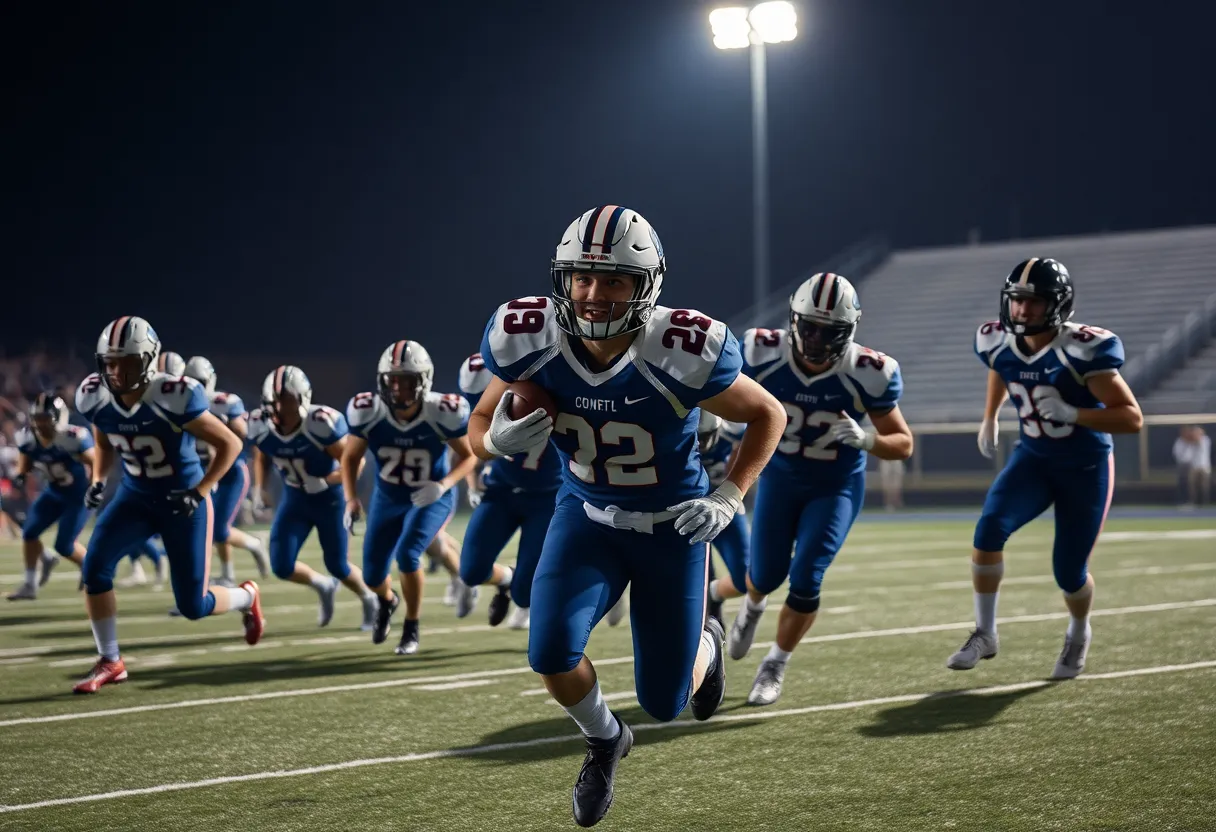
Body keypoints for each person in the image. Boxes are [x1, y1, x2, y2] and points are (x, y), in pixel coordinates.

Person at [469, 205, 785, 827]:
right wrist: (492, 444)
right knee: (550, 651)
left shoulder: (681, 347)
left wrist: (729, 494)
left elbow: (767, 413)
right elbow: (480, 421)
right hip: (585, 516)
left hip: (674, 527)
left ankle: (708, 640)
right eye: (582, 277)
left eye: (614, 279)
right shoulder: (528, 338)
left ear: (647, 285)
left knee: (666, 702)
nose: (593, 294)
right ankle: (605, 739)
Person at [947, 258, 1143, 679]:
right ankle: (985, 632)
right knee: (988, 530)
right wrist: (990, 415)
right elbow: (1002, 367)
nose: (1022, 310)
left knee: (1069, 572)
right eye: (1017, 300)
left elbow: (1131, 418)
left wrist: (1075, 413)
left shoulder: (1082, 350)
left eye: (1034, 302)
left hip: (1085, 466)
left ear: (1058, 304)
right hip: (1034, 458)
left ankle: (1078, 631)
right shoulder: (996, 340)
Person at [729, 273, 913, 706]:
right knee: (765, 574)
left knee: (808, 576)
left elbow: (903, 443)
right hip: (779, 478)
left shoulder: (869, 372)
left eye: (828, 332)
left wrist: (867, 440)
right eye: (809, 326)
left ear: (848, 332)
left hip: (835, 485)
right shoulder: (760, 351)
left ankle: (775, 663)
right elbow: (723, 399)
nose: (815, 339)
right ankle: (752, 607)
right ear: (794, 320)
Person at [73, 316, 263, 694]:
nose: (116, 371)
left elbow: (231, 443)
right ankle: (110, 660)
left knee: (193, 606)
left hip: (182, 502)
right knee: (95, 569)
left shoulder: (173, 394)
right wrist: (98, 480)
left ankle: (247, 596)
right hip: (135, 497)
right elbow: (104, 440)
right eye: (110, 362)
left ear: (147, 361)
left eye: (126, 362)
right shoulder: (95, 395)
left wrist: (202, 490)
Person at [342, 340, 477, 654]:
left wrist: (443, 485)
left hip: (430, 496)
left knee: (408, 554)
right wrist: (351, 499)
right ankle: (388, 600)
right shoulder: (368, 411)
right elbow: (350, 457)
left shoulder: (441, 411)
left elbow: (469, 455)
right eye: (393, 380)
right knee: (373, 575)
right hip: (387, 497)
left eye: (407, 380)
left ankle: (411, 627)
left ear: (424, 380)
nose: (399, 388)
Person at [249, 365, 378, 629]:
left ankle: (369, 597)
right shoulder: (260, 424)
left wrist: (326, 480)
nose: (280, 409)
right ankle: (323, 585)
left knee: (338, 565)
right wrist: (260, 487)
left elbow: (355, 464)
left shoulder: (319, 423)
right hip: (295, 500)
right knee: (281, 565)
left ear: (302, 399)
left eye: (287, 401)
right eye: (275, 401)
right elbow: (261, 455)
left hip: (330, 501)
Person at [457, 351, 563, 629]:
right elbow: (472, 437)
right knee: (470, 571)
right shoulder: (476, 373)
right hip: (500, 490)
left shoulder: (550, 380)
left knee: (524, 593)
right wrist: (472, 480)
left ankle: (522, 586)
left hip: (547, 497)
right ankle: (506, 578)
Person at [183, 356, 270, 583]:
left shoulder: (224, 402)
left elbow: (242, 433)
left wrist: (218, 429)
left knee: (219, 529)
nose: (197, 386)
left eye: (200, 381)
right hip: (203, 472)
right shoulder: (179, 402)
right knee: (212, 526)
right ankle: (227, 574)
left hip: (231, 472)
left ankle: (255, 544)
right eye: (192, 381)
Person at [6, 392, 91, 600]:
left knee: (64, 545)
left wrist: (96, 485)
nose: (41, 424)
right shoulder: (28, 437)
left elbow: (96, 462)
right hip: (54, 492)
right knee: (29, 532)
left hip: (78, 496)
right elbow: (24, 463)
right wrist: (20, 475)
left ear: (59, 417)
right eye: (37, 418)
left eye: (45, 418)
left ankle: (91, 567)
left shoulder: (73, 437)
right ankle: (30, 584)